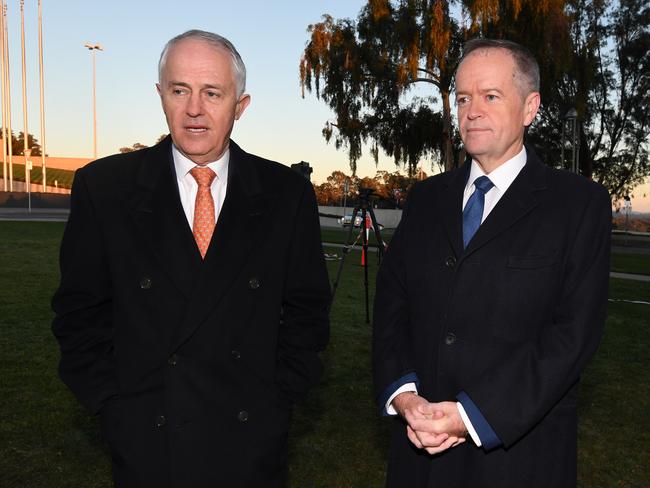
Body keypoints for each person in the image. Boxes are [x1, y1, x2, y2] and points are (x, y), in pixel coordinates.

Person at [52, 30, 330, 488]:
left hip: (249, 443)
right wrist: (115, 408)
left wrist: (277, 399)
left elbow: (308, 312)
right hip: (150, 443)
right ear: (161, 96)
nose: (195, 109)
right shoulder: (104, 189)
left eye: (212, 93)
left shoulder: (286, 194)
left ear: (240, 105)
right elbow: (78, 314)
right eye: (180, 90)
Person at [373, 38, 611, 487]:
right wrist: (404, 395)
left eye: (491, 96)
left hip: (518, 457)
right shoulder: (425, 199)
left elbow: (573, 336)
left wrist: (471, 416)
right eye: (463, 98)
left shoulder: (578, 205)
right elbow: (392, 306)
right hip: (418, 454)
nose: (472, 110)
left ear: (530, 107)